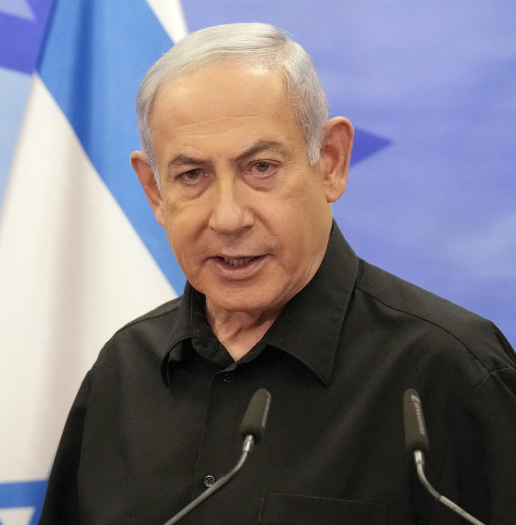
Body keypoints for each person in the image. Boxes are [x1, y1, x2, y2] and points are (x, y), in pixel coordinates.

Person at [40, 22, 516, 524]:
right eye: (192, 175)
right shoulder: (123, 370)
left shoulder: (454, 372)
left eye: (260, 167)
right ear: (156, 192)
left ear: (330, 161)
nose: (228, 217)